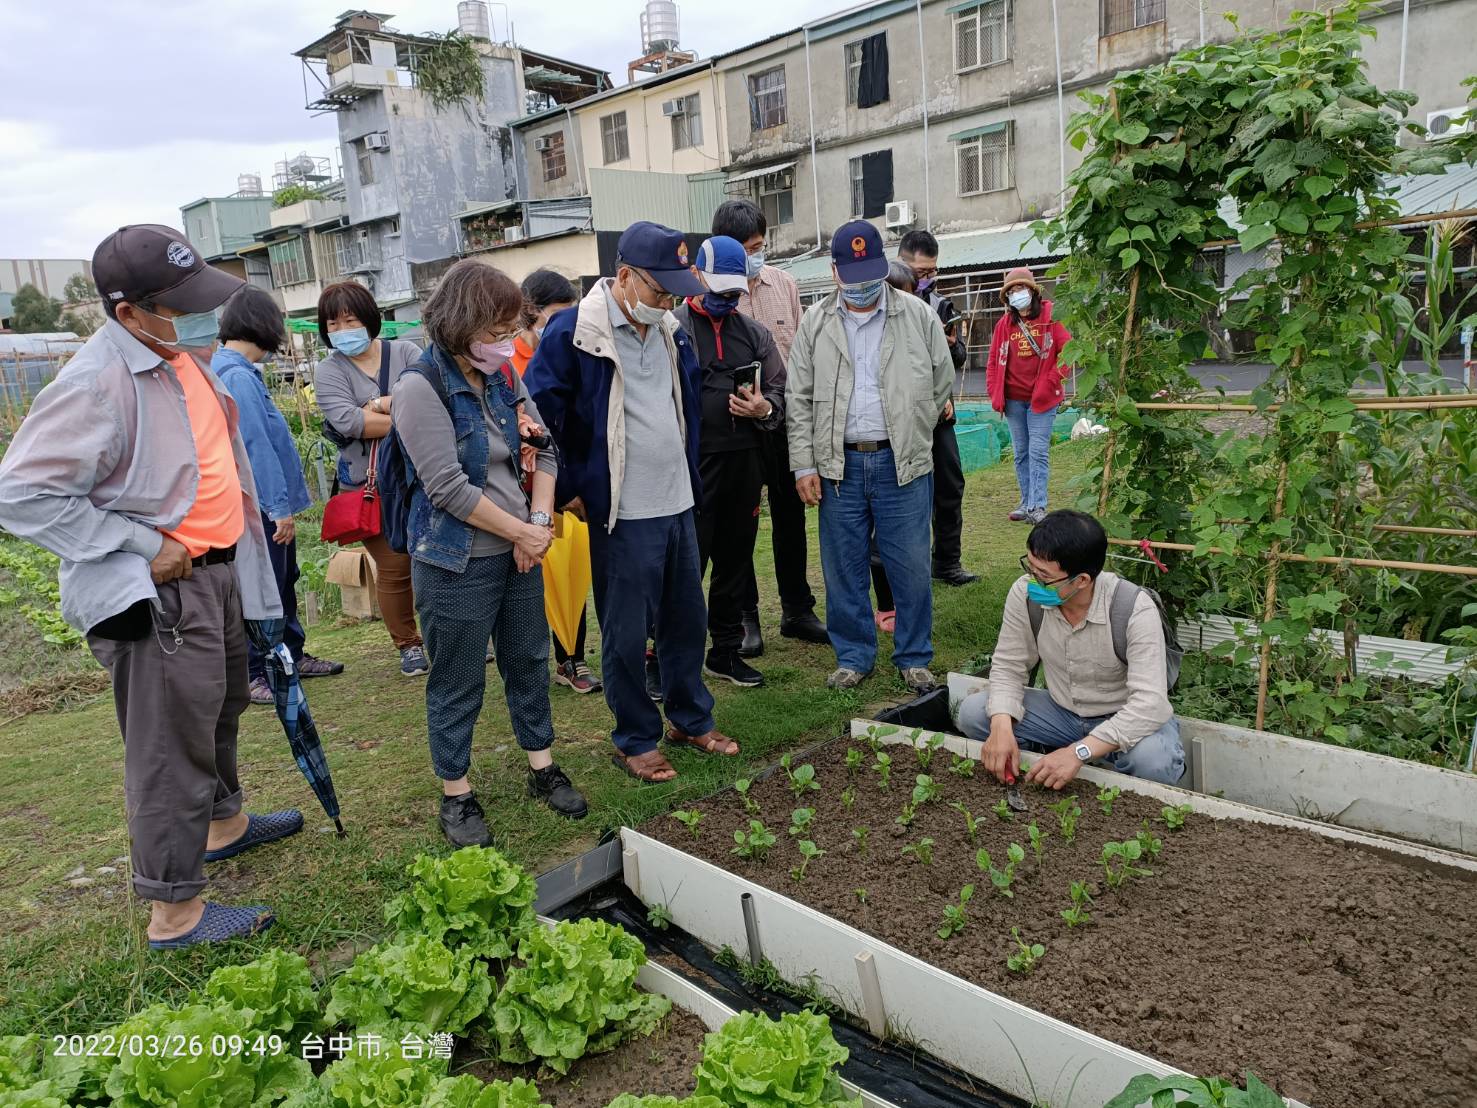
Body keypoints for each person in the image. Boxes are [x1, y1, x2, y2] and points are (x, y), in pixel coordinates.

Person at [0, 225, 300, 948]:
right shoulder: (97, 382)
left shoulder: (178, 358)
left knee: (221, 706)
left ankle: (224, 824)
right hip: (162, 590)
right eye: (181, 305)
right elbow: (20, 494)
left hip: (216, 572)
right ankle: (174, 912)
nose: (204, 318)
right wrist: (144, 544)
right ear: (128, 311)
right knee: (168, 745)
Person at [526, 220, 742, 784]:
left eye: (674, 291)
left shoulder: (670, 330)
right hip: (621, 508)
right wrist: (571, 485)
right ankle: (634, 738)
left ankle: (690, 717)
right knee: (625, 630)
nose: (667, 301)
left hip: (675, 499)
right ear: (624, 277)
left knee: (684, 620)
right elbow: (540, 413)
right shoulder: (575, 332)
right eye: (659, 290)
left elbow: (684, 407)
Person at [392, 260, 589, 846]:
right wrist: (522, 532)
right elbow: (447, 488)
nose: (507, 343)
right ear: (462, 324)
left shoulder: (503, 379)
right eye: (497, 331)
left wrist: (535, 523)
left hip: (518, 549)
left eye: (511, 330)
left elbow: (544, 448)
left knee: (528, 659)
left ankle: (542, 765)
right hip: (456, 559)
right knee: (456, 677)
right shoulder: (419, 388)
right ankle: (456, 793)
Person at [787, 221, 954, 695]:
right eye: (853, 274)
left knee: (910, 565)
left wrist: (913, 425)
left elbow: (941, 378)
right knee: (843, 566)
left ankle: (915, 656)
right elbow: (798, 397)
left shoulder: (916, 316)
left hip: (900, 461)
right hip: (838, 466)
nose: (863, 286)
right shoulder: (815, 322)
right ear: (834, 270)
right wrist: (805, 464)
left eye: (871, 274)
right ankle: (855, 655)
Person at [957, 511, 1185, 787]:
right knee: (975, 713)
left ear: (1082, 580)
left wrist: (1079, 752)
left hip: (1122, 715)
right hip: (1061, 712)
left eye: (1044, 576)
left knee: (1154, 761)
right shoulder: (1025, 594)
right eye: (1029, 567)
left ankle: (1089, 764)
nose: (1033, 581)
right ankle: (1040, 760)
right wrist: (1001, 727)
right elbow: (1008, 665)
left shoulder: (1132, 609)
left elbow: (1150, 705)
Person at [213, 287, 344, 704]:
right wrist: (277, 509)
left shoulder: (239, 370)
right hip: (263, 508)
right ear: (264, 325)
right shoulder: (235, 375)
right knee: (263, 585)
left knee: (284, 579)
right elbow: (255, 448)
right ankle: (257, 671)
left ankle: (292, 656)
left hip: (267, 505)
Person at [714, 199, 829, 657]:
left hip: (781, 419)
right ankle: (745, 617)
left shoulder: (784, 284)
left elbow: (800, 355)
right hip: (735, 428)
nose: (754, 256)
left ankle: (797, 609)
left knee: (791, 513)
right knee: (739, 522)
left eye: (760, 246)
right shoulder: (711, 292)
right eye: (745, 249)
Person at [673, 235, 787, 689]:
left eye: (733, 293)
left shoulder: (755, 334)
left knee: (735, 561)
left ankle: (724, 652)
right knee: (685, 565)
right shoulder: (670, 327)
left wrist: (765, 409)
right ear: (696, 275)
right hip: (689, 467)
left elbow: (779, 387)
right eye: (718, 290)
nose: (725, 300)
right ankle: (669, 659)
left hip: (745, 463)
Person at [313, 281, 428, 676]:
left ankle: (446, 634)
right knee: (396, 567)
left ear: (369, 318)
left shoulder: (407, 352)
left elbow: (432, 402)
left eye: (351, 319)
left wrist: (376, 405)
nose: (343, 329)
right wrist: (404, 413)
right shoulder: (328, 371)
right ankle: (409, 644)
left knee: (435, 559)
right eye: (334, 322)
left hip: (423, 476)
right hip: (370, 485)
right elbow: (348, 421)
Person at [510, 269, 600, 695]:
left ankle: (572, 657)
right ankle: (527, 660)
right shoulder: (507, 361)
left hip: (567, 482)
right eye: (556, 315)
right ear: (530, 314)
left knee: (568, 568)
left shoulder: (575, 350)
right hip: (519, 487)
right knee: (530, 576)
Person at [897, 230, 977, 586]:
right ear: (901, 263)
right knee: (904, 494)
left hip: (940, 415)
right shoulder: (880, 303)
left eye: (932, 272)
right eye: (919, 272)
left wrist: (951, 345)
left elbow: (958, 358)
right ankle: (902, 570)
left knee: (949, 486)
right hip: (899, 416)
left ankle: (946, 563)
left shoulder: (942, 305)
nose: (925, 279)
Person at [986, 268, 1071, 525]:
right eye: (1011, 292)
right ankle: (1026, 502)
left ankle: (1038, 505)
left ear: (1032, 291)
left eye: (1019, 289)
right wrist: (994, 391)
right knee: (1021, 452)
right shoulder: (1004, 325)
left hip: (1042, 400)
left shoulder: (1051, 316)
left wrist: (1050, 382)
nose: (1016, 295)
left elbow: (1068, 353)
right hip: (1013, 400)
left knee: (1038, 451)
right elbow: (992, 361)